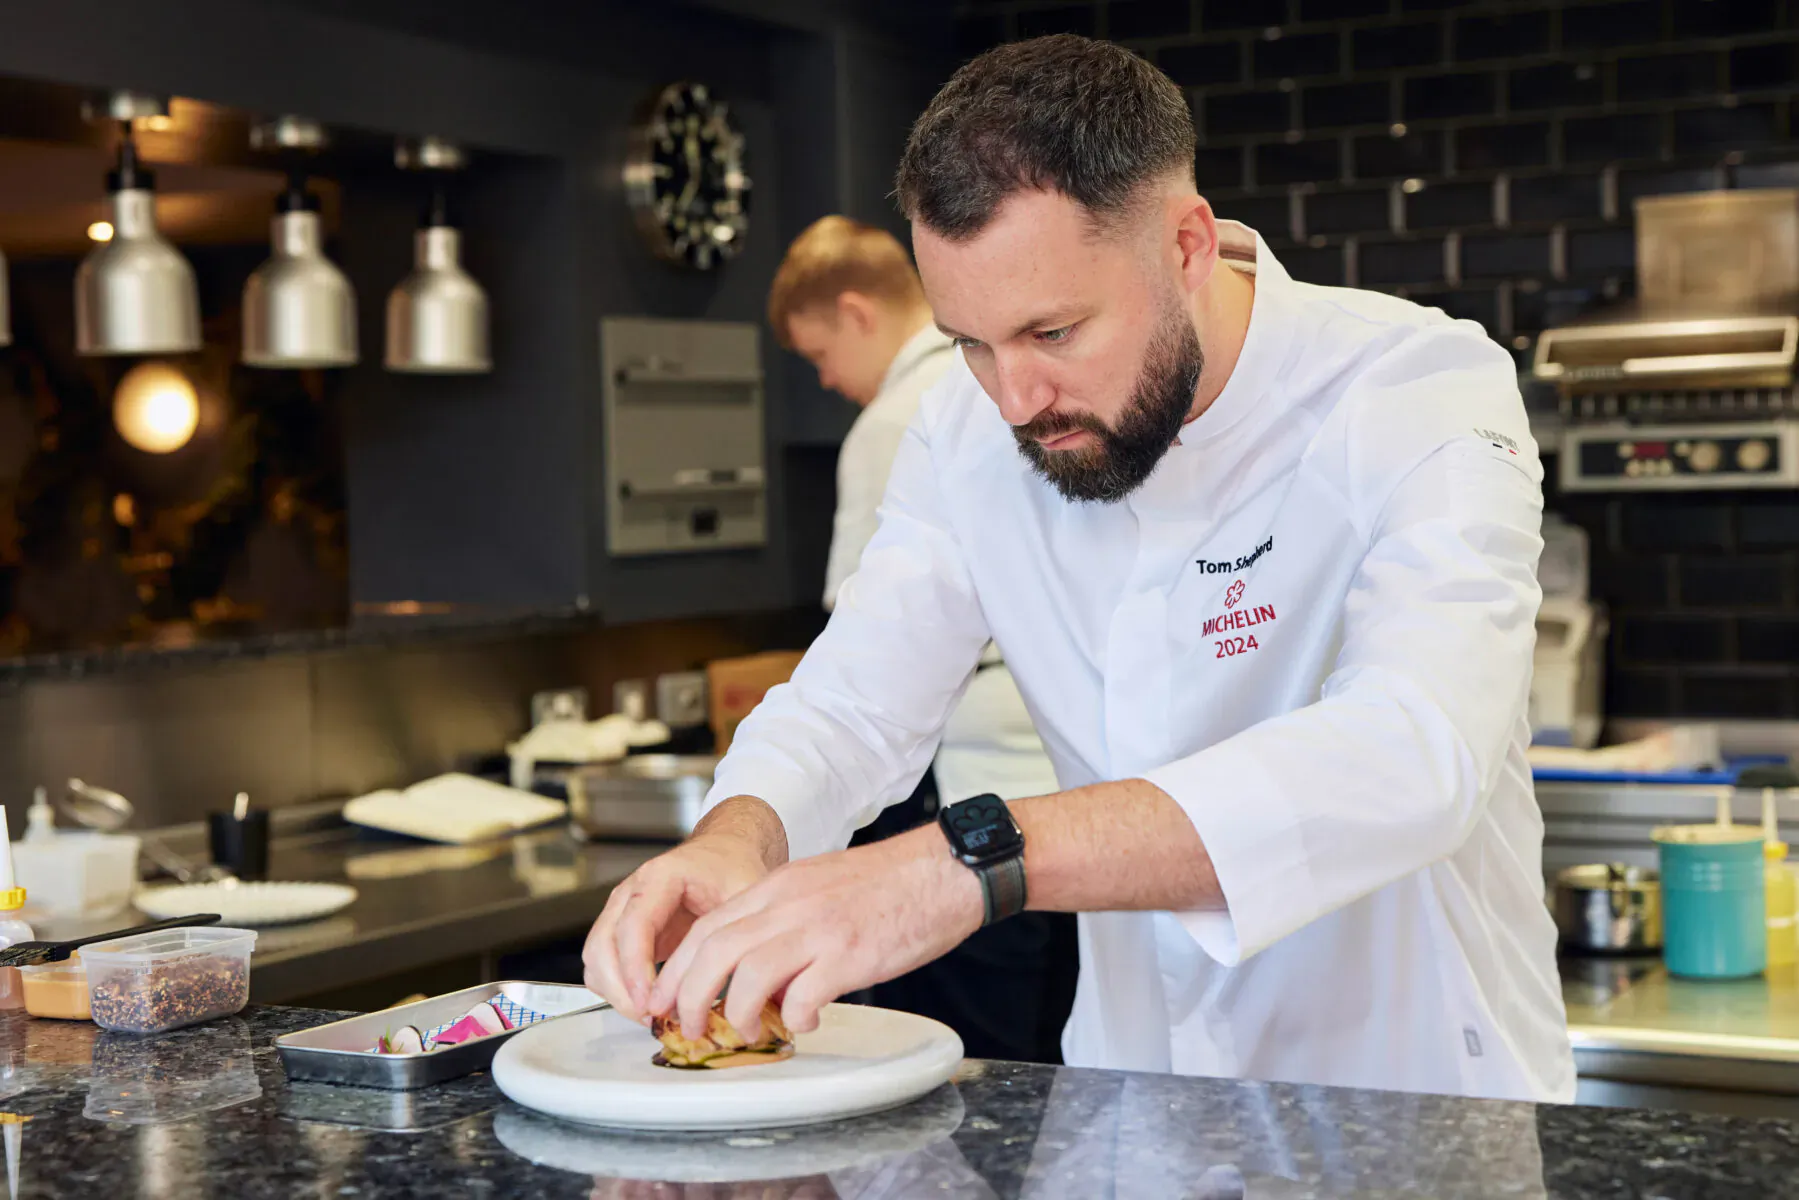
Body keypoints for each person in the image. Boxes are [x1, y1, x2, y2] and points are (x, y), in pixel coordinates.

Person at [585, 34, 1574, 1102]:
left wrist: (971, 861)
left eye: (1050, 330)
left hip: (1412, 1107)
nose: (1012, 398)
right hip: (1128, 1109)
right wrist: (742, 836)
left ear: (1186, 246)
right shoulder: (961, 432)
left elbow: (1413, 752)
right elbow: (854, 704)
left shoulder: (1415, 388)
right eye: (968, 341)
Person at [767, 215, 1076, 1062]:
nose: (826, 380)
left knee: (964, 1068)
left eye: (818, 353)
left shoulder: (905, 420)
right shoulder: (1046, 395)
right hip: (1072, 801)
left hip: (969, 806)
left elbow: (863, 656)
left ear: (859, 314)